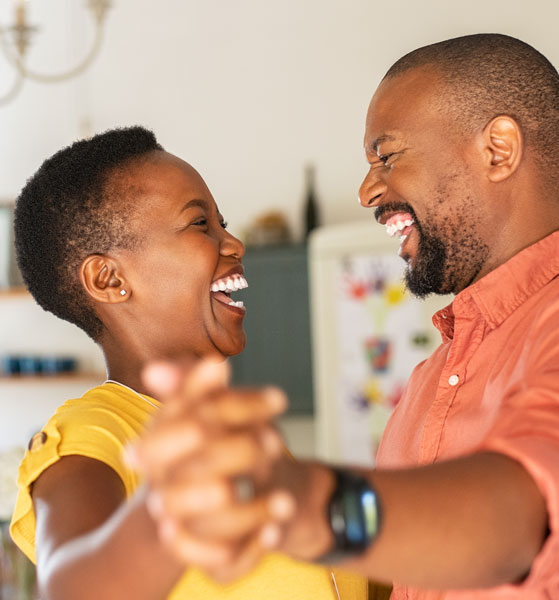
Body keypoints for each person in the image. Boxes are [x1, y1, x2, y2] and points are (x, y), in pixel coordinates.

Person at [131, 34, 559, 599]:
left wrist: (302, 505)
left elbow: (525, 513)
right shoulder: (432, 379)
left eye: (387, 156)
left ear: (498, 150)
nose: (366, 190)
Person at [9, 126, 367, 599]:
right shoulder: (92, 432)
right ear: (109, 277)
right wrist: (171, 514)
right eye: (201, 224)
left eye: (223, 223)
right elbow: (71, 585)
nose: (234, 243)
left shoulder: (236, 439)